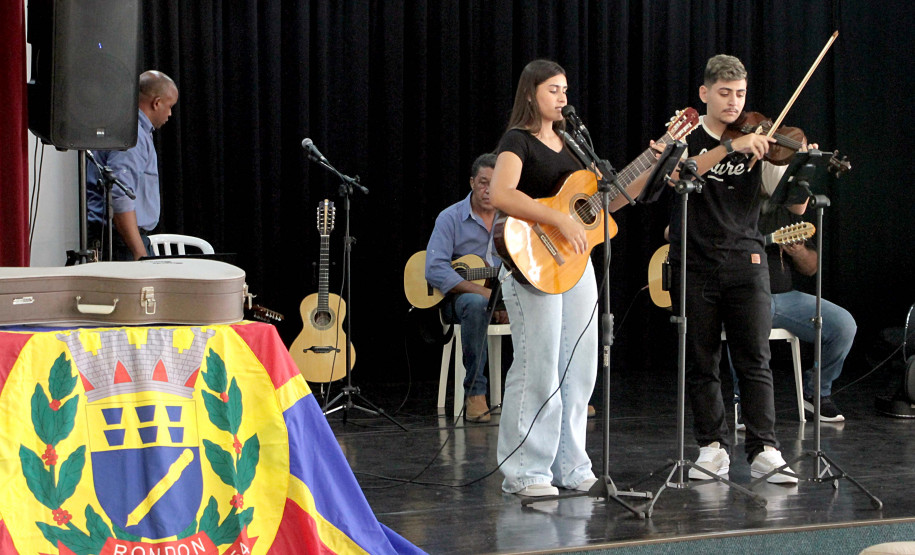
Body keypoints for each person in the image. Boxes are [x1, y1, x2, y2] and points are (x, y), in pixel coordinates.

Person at [665, 54, 797, 484]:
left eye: (740, 94)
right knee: (702, 362)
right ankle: (712, 447)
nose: (734, 103)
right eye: (724, 94)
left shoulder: (758, 139)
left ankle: (765, 450)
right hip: (696, 263)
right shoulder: (688, 137)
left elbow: (786, 199)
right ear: (705, 94)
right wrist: (729, 146)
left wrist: (785, 162)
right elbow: (675, 175)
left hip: (748, 261)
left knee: (755, 360)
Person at [489, 60, 614, 497]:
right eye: (554, 90)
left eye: (565, 89)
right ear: (531, 94)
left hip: (575, 264)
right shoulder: (516, 140)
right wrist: (557, 220)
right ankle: (526, 471)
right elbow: (501, 194)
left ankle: (572, 464)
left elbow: (610, 198)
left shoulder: (574, 144)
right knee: (537, 364)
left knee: (579, 370)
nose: (563, 97)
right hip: (532, 261)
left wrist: (654, 161)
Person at [731, 197, 855, 424]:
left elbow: (811, 267)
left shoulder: (785, 212)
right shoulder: (731, 205)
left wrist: (797, 252)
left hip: (786, 298)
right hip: (745, 296)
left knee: (843, 325)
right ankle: (746, 399)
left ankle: (816, 392)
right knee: (745, 317)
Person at [425, 153, 507, 423]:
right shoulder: (450, 218)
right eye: (483, 182)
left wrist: (501, 302)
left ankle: (552, 396)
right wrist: (479, 291)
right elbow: (435, 268)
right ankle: (475, 393)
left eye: (494, 184)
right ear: (472, 182)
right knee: (476, 303)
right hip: (459, 301)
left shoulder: (512, 219)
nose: (488, 189)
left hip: (503, 295)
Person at [87, 70, 179, 261]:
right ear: (157, 103)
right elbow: (121, 196)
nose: (170, 114)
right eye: (169, 106)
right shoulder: (133, 134)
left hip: (121, 238)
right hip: (122, 242)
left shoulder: (128, 127)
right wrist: (139, 253)